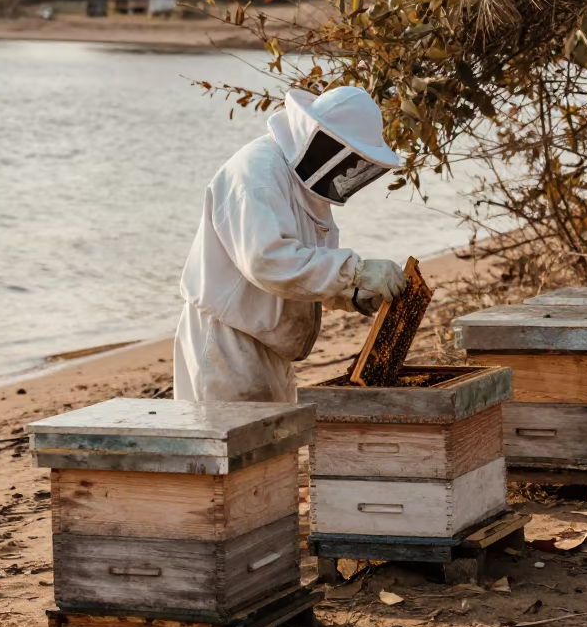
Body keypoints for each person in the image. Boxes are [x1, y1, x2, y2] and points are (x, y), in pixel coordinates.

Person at [174, 86, 410, 403]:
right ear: (323, 139)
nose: (349, 169)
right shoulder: (256, 172)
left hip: (271, 346)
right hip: (227, 344)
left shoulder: (307, 187)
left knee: (276, 446)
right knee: (238, 450)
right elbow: (268, 262)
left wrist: (351, 295)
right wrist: (356, 271)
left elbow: (302, 270)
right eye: (349, 156)